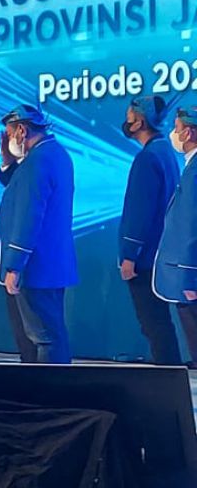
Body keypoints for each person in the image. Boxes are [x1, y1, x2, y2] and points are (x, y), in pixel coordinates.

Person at [0, 104, 77, 364]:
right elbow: (20, 189)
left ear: (21, 130)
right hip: (51, 261)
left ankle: (52, 388)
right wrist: (8, 163)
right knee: (50, 332)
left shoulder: (37, 161)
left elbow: (28, 215)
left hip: (36, 264)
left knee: (44, 337)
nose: (8, 140)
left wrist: (14, 264)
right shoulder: (54, 154)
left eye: (9, 134)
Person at [117, 96, 184, 365]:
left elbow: (139, 211)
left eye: (129, 118)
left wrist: (129, 254)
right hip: (161, 251)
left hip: (145, 257)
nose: (126, 123)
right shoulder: (165, 152)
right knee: (160, 322)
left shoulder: (147, 158)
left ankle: (166, 375)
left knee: (153, 323)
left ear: (140, 122)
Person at [153, 107, 197, 356]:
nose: (174, 133)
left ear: (188, 133)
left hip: (190, 277)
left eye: (177, 128)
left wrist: (189, 276)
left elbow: (192, 224)